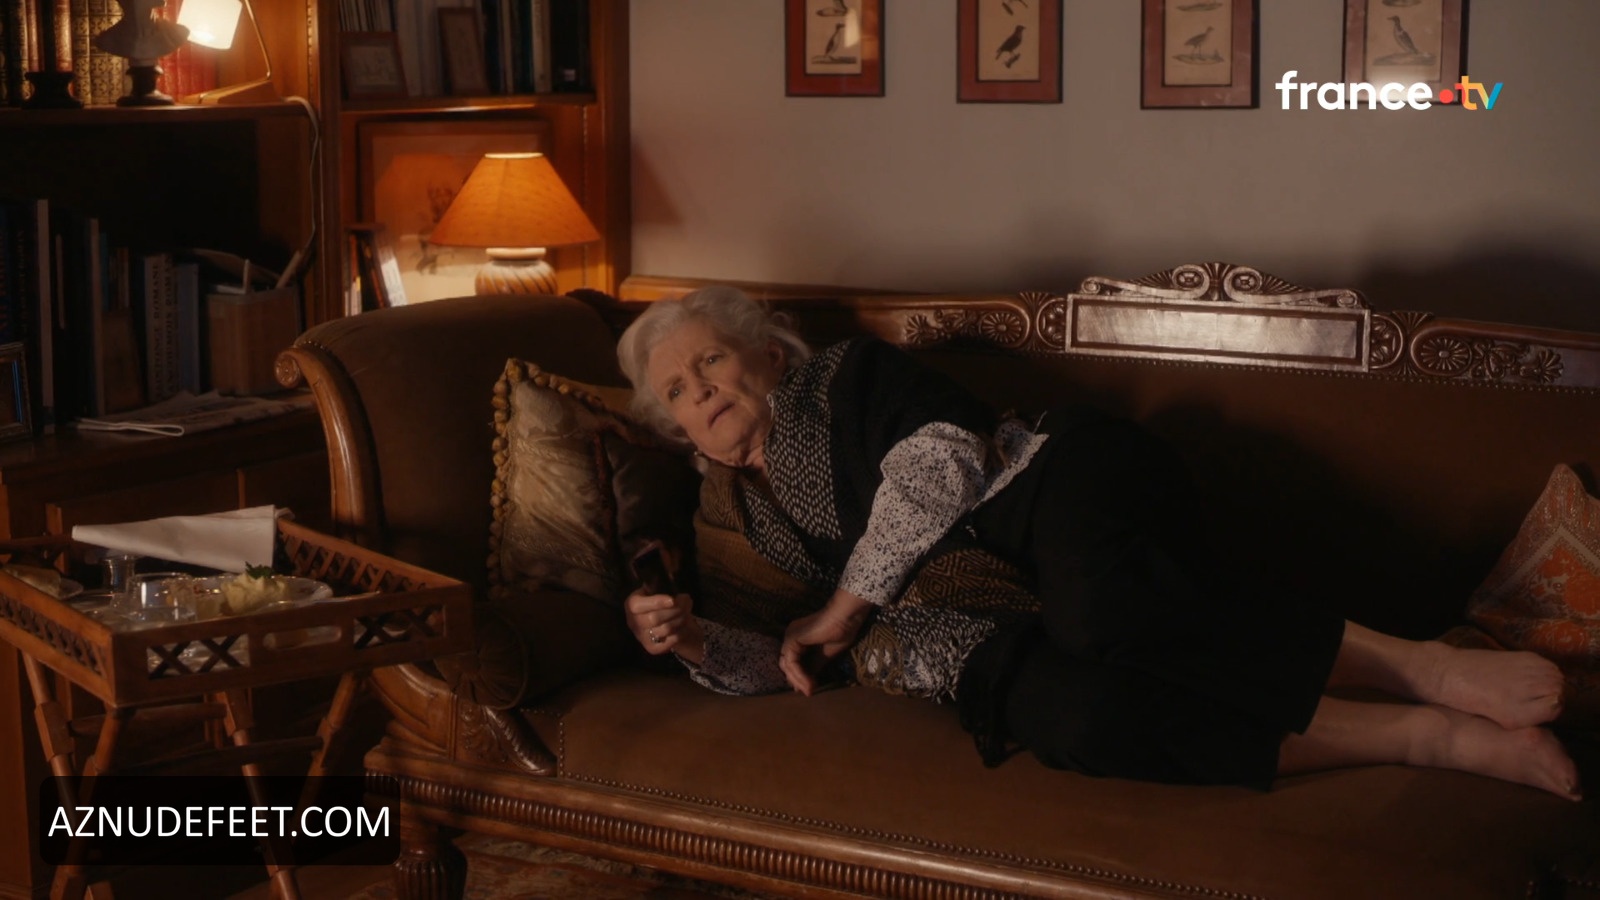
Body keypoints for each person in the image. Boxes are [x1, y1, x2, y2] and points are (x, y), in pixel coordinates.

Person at [618, 285, 1580, 800]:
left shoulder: (849, 377)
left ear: (769, 355)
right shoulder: (733, 515)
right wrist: (690, 638)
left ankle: (1423, 666)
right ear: (675, 426)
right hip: (966, 633)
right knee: (1084, 721)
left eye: (712, 360)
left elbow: (944, 461)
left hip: (1047, 485)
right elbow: (782, 660)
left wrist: (841, 608)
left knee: (1105, 612)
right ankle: (1423, 737)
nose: (701, 391)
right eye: (677, 392)